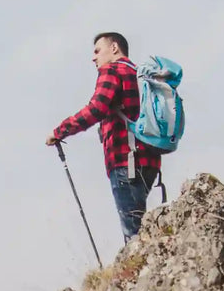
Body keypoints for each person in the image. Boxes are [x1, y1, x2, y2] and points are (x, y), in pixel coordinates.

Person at [46, 32, 158, 241]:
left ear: (114, 48)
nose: (93, 58)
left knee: (134, 235)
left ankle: (140, 271)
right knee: (140, 225)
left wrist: (59, 131)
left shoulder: (112, 70)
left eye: (97, 51)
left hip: (126, 161)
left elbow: (96, 109)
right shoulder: (140, 75)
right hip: (150, 159)